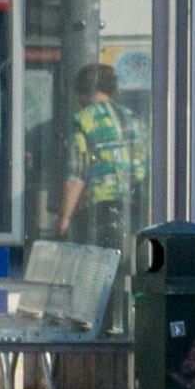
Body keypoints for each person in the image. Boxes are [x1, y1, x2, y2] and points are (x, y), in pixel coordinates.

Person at [51, 63, 140, 253]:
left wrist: (64, 220)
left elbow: (76, 174)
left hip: (97, 211)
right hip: (132, 210)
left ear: (85, 92)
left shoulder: (83, 119)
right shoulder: (132, 119)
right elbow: (141, 168)